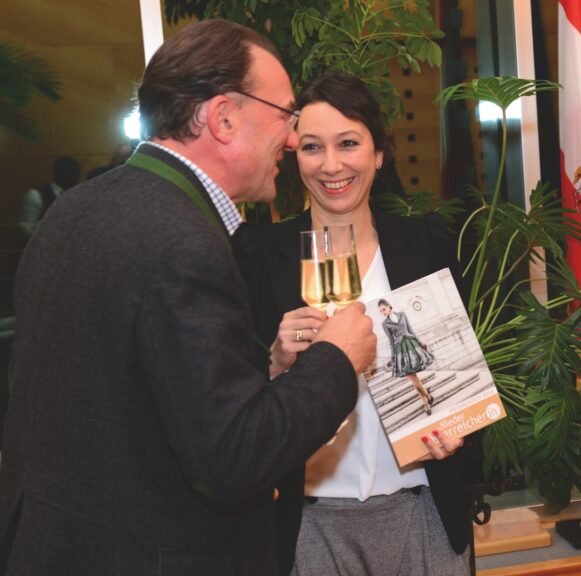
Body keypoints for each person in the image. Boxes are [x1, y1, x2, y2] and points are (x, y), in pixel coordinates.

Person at [0, 19, 376, 575]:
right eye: (286, 116)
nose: (293, 139)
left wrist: (269, 375)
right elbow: (232, 458)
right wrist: (337, 361)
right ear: (223, 117)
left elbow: (142, 402)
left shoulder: (74, 210)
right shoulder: (183, 242)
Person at [236, 71, 471, 576]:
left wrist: (460, 428)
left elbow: (459, 374)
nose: (332, 165)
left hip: (423, 511)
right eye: (313, 148)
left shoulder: (428, 244)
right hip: (308, 525)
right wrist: (275, 364)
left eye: (349, 143)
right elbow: (228, 406)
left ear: (379, 153)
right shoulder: (258, 256)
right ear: (294, 156)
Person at [379, 298, 435, 415]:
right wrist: (393, 358)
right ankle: (426, 397)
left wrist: (420, 342)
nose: (383, 312)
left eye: (384, 309)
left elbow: (411, 330)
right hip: (400, 350)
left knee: (413, 377)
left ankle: (425, 399)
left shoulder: (402, 314)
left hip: (411, 344)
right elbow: (391, 341)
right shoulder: (385, 324)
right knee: (411, 376)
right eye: (381, 311)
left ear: (389, 306)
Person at [19, 154, 80, 236]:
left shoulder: (79, 194)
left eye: (76, 174)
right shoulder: (36, 195)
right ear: (58, 173)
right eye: (71, 174)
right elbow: (26, 229)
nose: (75, 179)